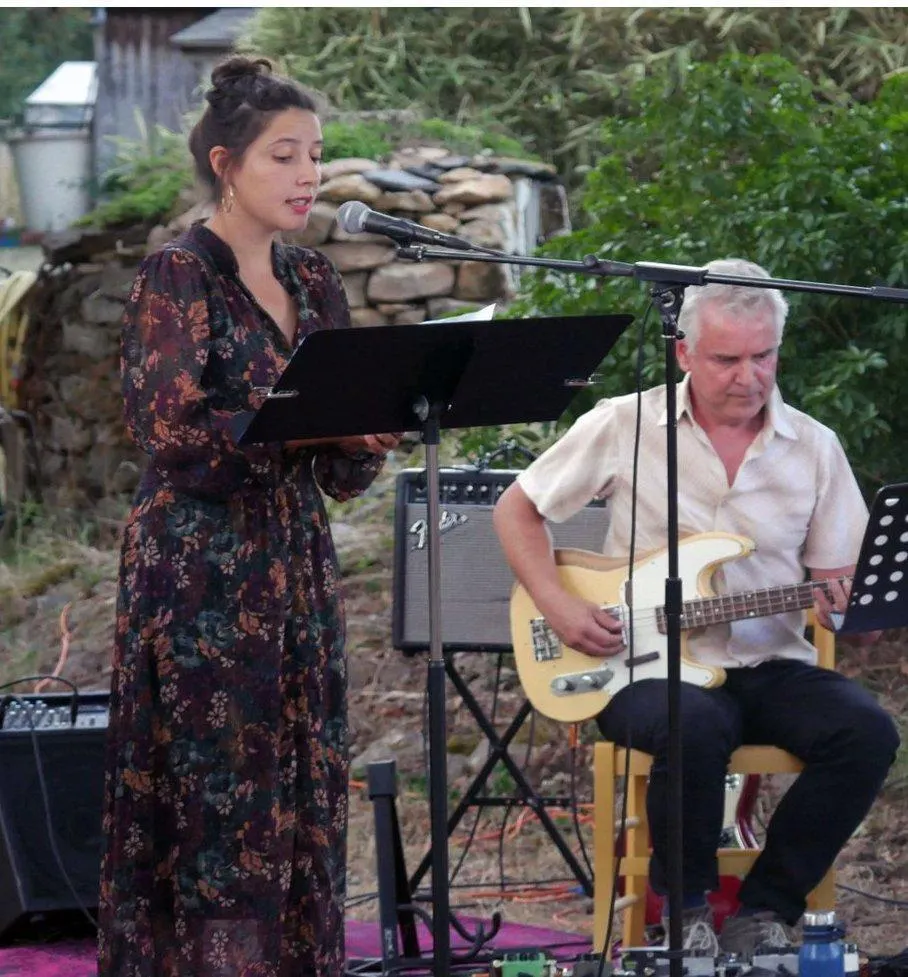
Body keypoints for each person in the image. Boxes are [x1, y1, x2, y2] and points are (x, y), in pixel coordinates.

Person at [492, 258, 900, 956]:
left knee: (867, 731)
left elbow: (840, 590)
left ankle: (764, 910)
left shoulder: (814, 446)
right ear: (683, 352)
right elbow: (517, 509)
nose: (749, 376)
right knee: (694, 723)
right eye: (727, 359)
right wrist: (558, 606)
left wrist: (850, 610)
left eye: (763, 356)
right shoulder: (625, 423)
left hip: (770, 665)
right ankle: (683, 918)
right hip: (640, 666)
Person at [97, 56, 401, 977]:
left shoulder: (314, 278)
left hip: (294, 561)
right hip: (199, 567)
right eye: (284, 155)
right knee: (212, 788)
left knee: (300, 776)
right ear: (226, 164)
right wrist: (306, 428)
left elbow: (338, 469)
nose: (309, 173)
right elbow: (171, 433)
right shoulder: (178, 274)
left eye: (315, 154)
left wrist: (366, 434)